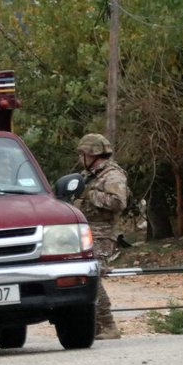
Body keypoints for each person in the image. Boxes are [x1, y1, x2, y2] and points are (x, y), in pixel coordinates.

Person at [74, 133, 128, 340]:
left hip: (103, 234)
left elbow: (118, 202)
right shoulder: (89, 175)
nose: (81, 159)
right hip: (84, 232)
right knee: (81, 275)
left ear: (92, 154)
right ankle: (94, 326)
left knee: (92, 275)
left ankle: (108, 325)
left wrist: (90, 194)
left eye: (83, 154)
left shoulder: (112, 175)